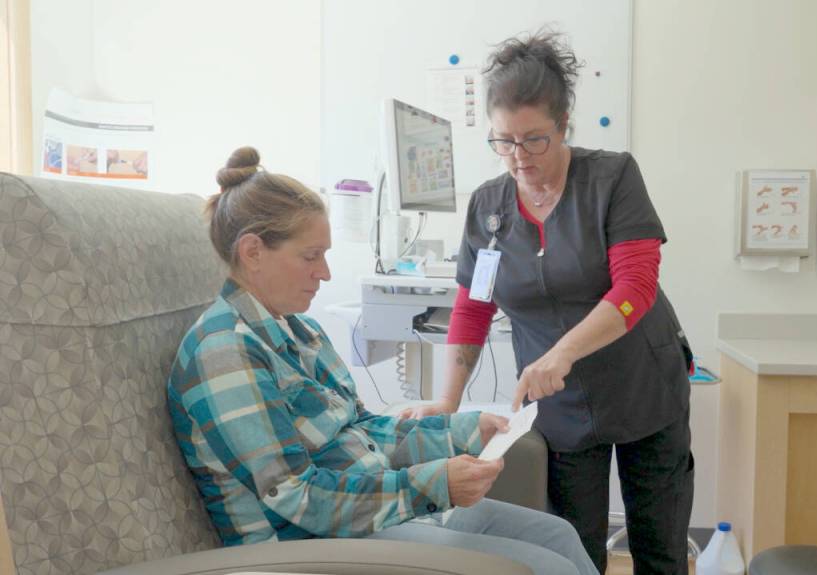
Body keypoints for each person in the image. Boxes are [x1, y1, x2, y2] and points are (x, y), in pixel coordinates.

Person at [167, 146, 597, 575]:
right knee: (542, 568)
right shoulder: (225, 355)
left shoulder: (299, 332)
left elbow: (362, 428)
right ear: (253, 252)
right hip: (310, 549)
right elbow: (300, 498)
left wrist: (464, 430)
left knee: (558, 536)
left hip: (371, 514)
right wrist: (433, 484)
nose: (325, 273)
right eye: (310, 255)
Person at [403, 31, 695, 574]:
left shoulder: (612, 179)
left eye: (534, 140)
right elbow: (472, 308)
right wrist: (445, 402)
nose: (518, 157)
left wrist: (562, 353)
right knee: (570, 549)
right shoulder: (489, 206)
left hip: (642, 386)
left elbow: (635, 287)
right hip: (559, 406)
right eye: (503, 141)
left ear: (564, 126)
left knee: (659, 550)